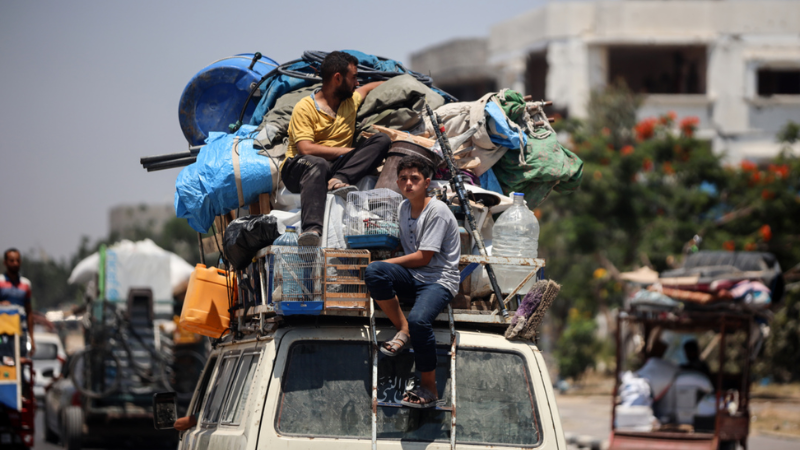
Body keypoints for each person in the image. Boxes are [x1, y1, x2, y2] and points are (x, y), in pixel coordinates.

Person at [364, 155, 461, 408]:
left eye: (415, 179)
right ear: (397, 182)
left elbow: (423, 257)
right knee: (374, 274)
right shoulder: (403, 207)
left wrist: (386, 263)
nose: (408, 183)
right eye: (403, 179)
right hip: (414, 277)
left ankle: (429, 386)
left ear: (427, 182)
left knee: (421, 321)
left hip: (439, 279)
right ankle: (403, 329)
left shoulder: (438, 211)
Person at [282, 51, 391, 246]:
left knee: (381, 140)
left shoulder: (350, 101)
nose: (356, 83)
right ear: (338, 78)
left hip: (335, 167)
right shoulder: (305, 108)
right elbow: (305, 149)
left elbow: (366, 89)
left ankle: (339, 179)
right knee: (317, 164)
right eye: (353, 77)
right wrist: (350, 152)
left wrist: (398, 81)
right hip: (300, 168)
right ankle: (312, 230)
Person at [0, 249, 35, 358]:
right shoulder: (0, 281)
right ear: (5, 263)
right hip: (3, 333)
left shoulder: (26, 284)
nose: (15, 263)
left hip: (21, 333)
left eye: (17, 260)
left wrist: (31, 338)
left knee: (21, 363)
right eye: (12, 260)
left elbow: (29, 312)